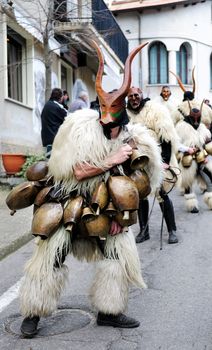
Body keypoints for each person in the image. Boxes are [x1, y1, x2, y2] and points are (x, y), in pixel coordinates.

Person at [18, 41, 162, 337]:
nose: (109, 128)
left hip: (108, 206)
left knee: (119, 255)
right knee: (50, 255)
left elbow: (139, 181)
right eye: (105, 121)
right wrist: (112, 159)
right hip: (68, 199)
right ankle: (33, 311)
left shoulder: (133, 136)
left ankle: (110, 312)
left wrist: (143, 167)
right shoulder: (80, 127)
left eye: (115, 123)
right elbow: (75, 170)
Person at [127, 87, 179, 245]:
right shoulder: (125, 114)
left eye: (136, 95)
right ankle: (144, 231)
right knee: (141, 196)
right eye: (131, 97)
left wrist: (164, 162)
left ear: (142, 95)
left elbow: (167, 137)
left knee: (161, 194)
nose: (134, 99)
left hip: (157, 160)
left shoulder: (156, 110)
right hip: (136, 161)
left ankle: (172, 230)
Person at [41, 88, 67, 159]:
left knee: (49, 160)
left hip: (47, 138)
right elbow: (68, 118)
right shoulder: (57, 106)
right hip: (55, 138)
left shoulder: (47, 105)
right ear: (61, 97)